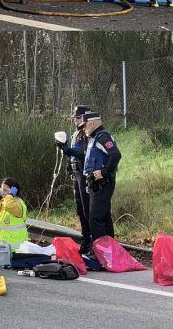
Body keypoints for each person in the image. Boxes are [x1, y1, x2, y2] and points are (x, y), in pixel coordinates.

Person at [81, 111, 121, 255]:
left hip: (103, 184)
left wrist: (103, 172)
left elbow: (115, 154)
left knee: (95, 218)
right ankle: (109, 252)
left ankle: (100, 253)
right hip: (96, 185)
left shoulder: (102, 137)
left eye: (84, 125)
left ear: (92, 123)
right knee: (103, 217)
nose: (83, 128)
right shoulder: (94, 138)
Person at [58, 106, 93, 254]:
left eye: (78, 118)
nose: (75, 120)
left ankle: (91, 240)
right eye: (75, 118)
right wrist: (69, 165)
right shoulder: (75, 134)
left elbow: (86, 156)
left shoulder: (87, 133)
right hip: (76, 172)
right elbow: (73, 155)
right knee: (80, 208)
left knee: (86, 208)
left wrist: (67, 150)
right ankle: (85, 239)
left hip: (84, 172)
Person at [0, 177, 28, 249]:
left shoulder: (18, 205)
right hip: (4, 248)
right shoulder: (5, 203)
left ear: (13, 192)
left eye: (5, 190)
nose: (2, 192)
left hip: (16, 249)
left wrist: (10, 195)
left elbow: (9, 206)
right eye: (1, 189)